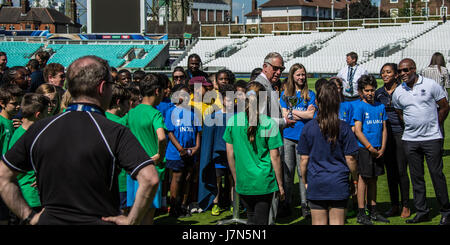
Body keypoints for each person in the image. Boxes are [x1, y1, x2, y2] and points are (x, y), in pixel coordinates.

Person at [0, 55, 160, 225]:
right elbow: (150, 178)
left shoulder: (40, 129)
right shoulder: (114, 131)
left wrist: (29, 216)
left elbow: (3, 175)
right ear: (103, 87)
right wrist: (131, 221)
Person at [392, 58, 450, 225]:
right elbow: (399, 112)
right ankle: (422, 211)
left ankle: (446, 211)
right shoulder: (399, 92)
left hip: (432, 138)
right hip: (410, 140)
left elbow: (444, 106)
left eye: (406, 70)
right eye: (400, 71)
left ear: (414, 69)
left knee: (436, 175)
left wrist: (435, 123)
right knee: (416, 177)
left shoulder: (431, 85)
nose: (403, 73)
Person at [223, 81, 285, 225]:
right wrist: (280, 185)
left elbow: (230, 154)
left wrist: (236, 177)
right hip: (263, 181)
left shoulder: (233, 121)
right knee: (261, 222)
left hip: (244, 180)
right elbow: (275, 156)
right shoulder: (269, 123)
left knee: (251, 219)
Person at [298, 81, 359, 225]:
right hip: (338, 182)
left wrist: (305, 181)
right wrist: (355, 180)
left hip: (317, 181)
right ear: (337, 101)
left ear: (318, 102)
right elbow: (350, 159)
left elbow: (303, 160)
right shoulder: (344, 128)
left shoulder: (308, 128)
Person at [126, 73, 167, 225]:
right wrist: (160, 156)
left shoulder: (131, 112)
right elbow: (162, 137)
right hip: (151, 170)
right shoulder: (155, 113)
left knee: (134, 215)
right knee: (148, 215)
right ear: (157, 91)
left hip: (133, 169)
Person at [278, 63, 316, 219]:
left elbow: (311, 115)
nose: (301, 77)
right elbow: (286, 116)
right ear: (292, 76)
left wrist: (294, 112)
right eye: (298, 74)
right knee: (287, 172)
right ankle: (286, 203)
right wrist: (302, 113)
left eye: (303, 74)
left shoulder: (310, 94)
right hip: (288, 137)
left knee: (303, 173)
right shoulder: (285, 95)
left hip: (304, 138)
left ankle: (305, 204)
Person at [7, 93, 50, 225]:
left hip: (26, 197)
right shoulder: (27, 138)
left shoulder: (20, 133)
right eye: (45, 113)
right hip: (32, 198)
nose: (48, 117)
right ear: (38, 115)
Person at [375, 63, 411, 219]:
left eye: (388, 72)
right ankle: (394, 204)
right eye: (383, 72)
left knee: (402, 171)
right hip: (385, 136)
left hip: (401, 134)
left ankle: (406, 205)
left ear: (396, 74)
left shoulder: (404, 90)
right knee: (390, 172)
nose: (385, 75)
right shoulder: (378, 93)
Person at [353, 75, 390, 225]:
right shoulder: (360, 106)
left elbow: (384, 129)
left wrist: (383, 147)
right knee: (363, 178)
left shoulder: (380, 106)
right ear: (361, 92)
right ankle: (361, 212)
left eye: (372, 90)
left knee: (374, 179)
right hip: (364, 149)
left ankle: (373, 210)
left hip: (378, 149)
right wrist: (369, 147)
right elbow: (357, 130)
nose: (370, 93)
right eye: (367, 90)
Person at [199, 84, 236, 216]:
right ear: (222, 99)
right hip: (218, 156)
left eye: (232, 99)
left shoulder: (238, 116)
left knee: (233, 180)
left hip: (234, 155)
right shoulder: (213, 117)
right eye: (227, 99)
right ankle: (216, 204)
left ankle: (234, 204)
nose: (230, 102)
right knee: (218, 180)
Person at [165, 83, 201, 217]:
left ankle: (183, 206)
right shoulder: (171, 111)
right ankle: (173, 207)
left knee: (188, 177)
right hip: (176, 152)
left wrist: (197, 147)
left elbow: (198, 131)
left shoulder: (193, 111)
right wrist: (180, 148)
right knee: (177, 178)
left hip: (191, 151)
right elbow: (169, 132)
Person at [105, 84, 131, 214]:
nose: (129, 106)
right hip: (120, 180)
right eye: (128, 102)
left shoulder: (99, 117)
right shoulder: (123, 122)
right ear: (118, 102)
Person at [0, 84, 22, 224]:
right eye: (14, 104)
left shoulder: (16, 123)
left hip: (15, 175)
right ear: (2, 103)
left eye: (20, 103)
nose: (18, 107)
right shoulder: (1, 123)